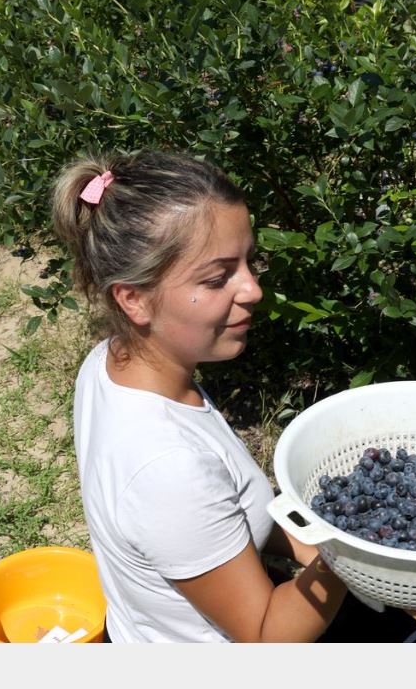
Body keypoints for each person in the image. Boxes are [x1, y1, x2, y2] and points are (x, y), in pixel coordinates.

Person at [53, 150, 349, 642]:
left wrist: (313, 546)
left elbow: (232, 515)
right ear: (135, 299)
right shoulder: (169, 469)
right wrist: (357, 557)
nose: (252, 289)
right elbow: (265, 638)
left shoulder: (111, 363)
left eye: (249, 262)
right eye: (217, 278)